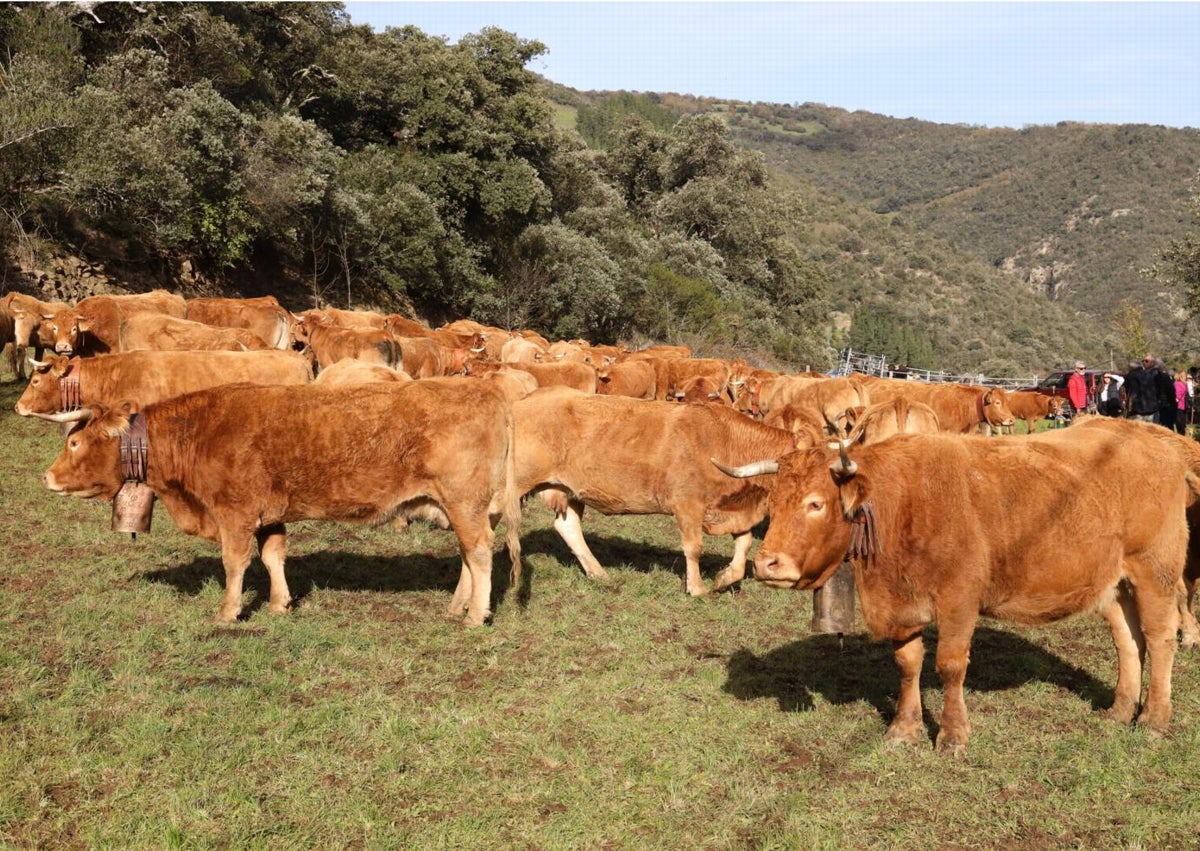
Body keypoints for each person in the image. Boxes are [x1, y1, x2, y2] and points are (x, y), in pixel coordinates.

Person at [1124, 354, 1161, 423]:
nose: (1144, 362)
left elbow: (1132, 392)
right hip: (1151, 409)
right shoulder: (1149, 374)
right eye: (1143, 361)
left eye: (1146, 361)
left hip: (1140, 410)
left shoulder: (1132, 376)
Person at [1157, 359, 1178, 431]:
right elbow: (1171, 392)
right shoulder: (1165, 377)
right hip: (1163, 406)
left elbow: (1171, 392)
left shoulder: (1164, 377)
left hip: (1163, 405)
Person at [1175, 370, 1190, 435]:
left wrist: (1175, 400)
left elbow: (1178, 394)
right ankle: (1183, 434)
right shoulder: (1185, 383)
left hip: (1179, 405)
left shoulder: (1177, 383)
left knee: (1179, 422)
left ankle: (1180, 434)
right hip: (1185, 405)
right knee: (1183, 421)